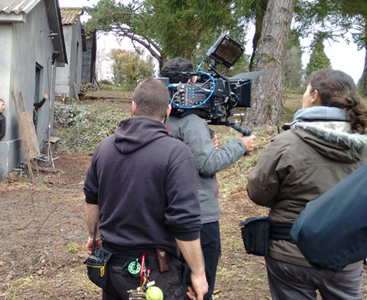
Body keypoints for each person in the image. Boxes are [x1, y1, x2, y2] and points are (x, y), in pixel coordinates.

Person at [246, 69, 367, 300]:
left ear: (314, 95)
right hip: (345, 255)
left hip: (290, 251)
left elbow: (258, 192)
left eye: (306, 90)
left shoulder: (287, 142)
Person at [83, 78, 208, 300]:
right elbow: (184, 222)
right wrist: (198, 273)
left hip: (111, 268)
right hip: (153, 276)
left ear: (133, 107)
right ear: (168, 110)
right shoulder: (177, 154)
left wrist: (94, 236)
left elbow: (92, 200)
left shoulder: (103, 149)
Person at [163, 58, 255, 300]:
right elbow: (206, 164)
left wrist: (208, 142)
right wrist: (240, 146)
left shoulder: (163, 118)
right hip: (199, 217)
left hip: (169, 213)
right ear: (190, 81)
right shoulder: (191, 122)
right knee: (200, 287)